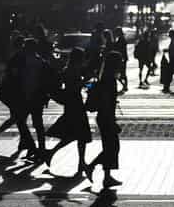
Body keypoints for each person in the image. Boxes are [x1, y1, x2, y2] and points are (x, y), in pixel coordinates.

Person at [44, 47, 92, 177]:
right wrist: (85, 81)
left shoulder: (70, 69)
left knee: (77, 135)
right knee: (78, 135)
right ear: (78, 59)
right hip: (74, 104)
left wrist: (87, 83)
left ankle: (80, 162)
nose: (84, 60)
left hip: (73, 103)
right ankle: (79, 162)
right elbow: (74, 87)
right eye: (82, 58)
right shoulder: (72, 71)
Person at [85, 51, 123, 189]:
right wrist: (112, 122)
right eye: (119, 61)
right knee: (112, 147)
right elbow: (106, 102)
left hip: (104, 117)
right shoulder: (109, 79)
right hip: (106, 117)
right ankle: (92, 167)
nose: (121, 63)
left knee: (110, 147)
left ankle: (106, 177)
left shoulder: (105, 76)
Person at [111, 27, 130, 93]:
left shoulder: (121, 39)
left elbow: (120, 48)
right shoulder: (121, 39)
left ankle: (125, 85)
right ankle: (125, 85)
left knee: (121, 72)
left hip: (122, 58)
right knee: (122, 73)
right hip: (122, 58)